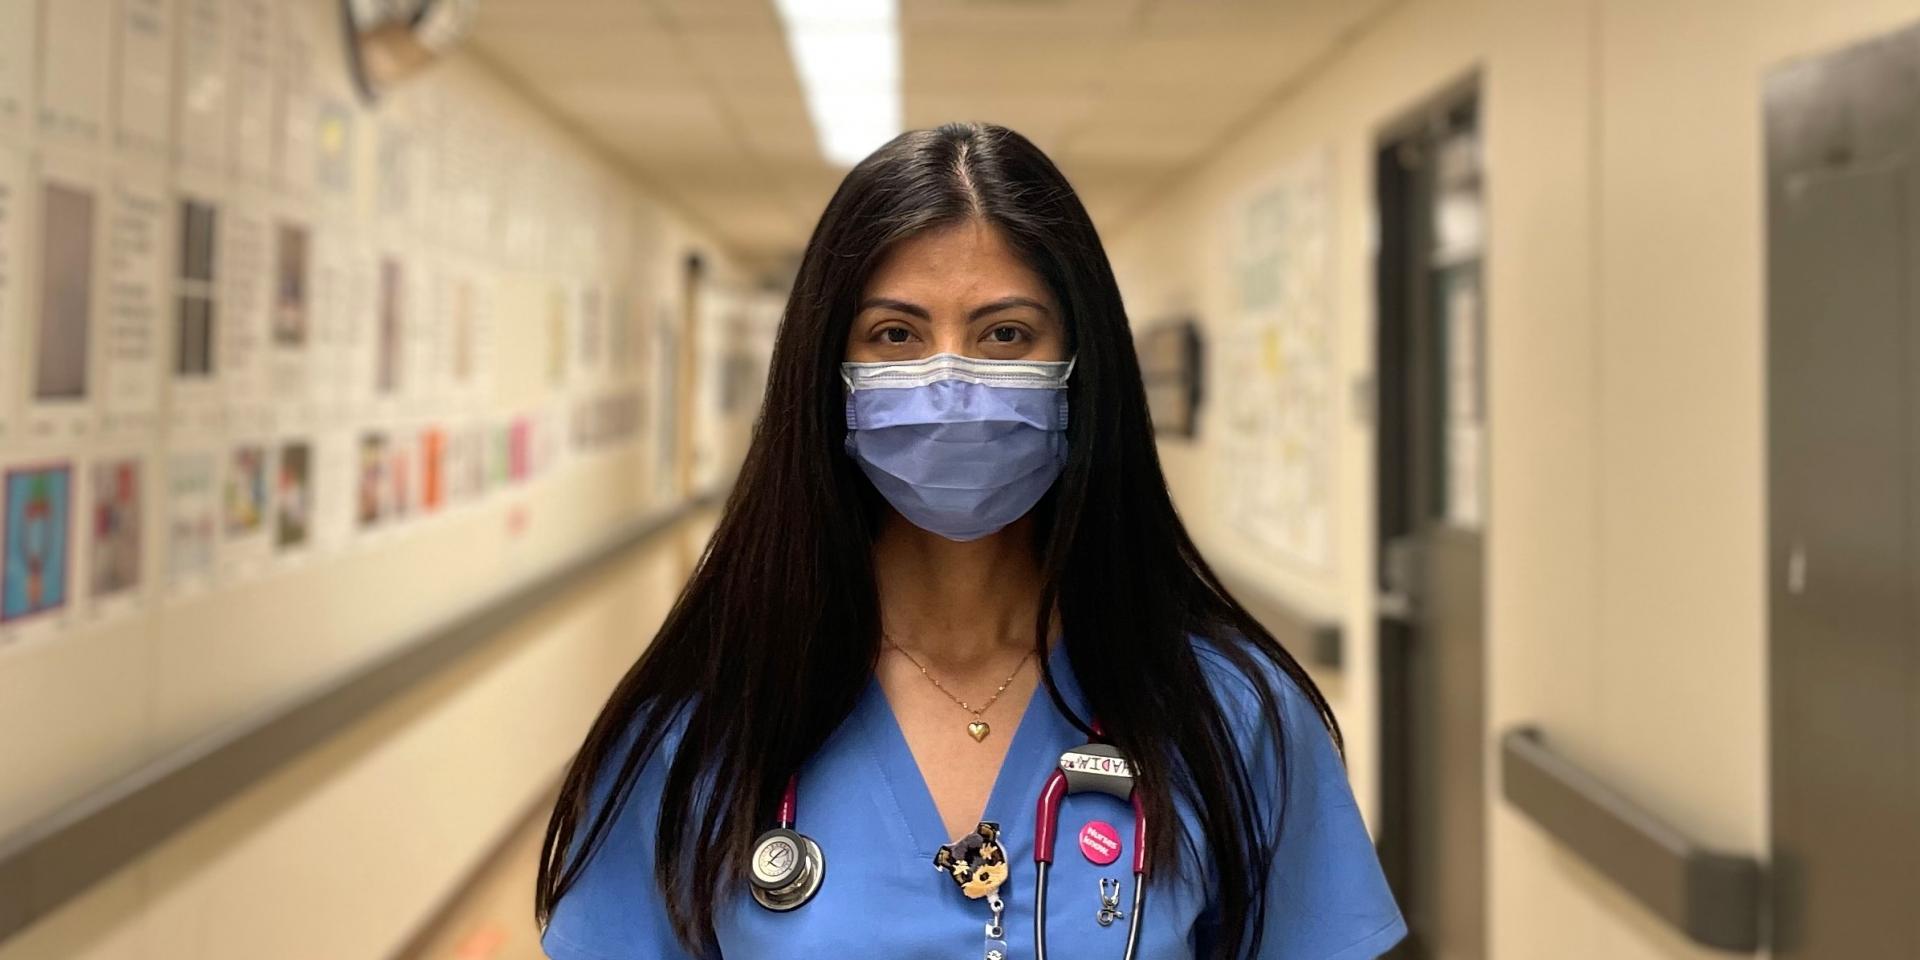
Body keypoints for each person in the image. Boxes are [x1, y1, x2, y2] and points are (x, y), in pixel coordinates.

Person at [535, 121, 1406, 959]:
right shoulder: (696, 729)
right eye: (896, 335)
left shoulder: (1230, 713)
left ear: (1081, 369)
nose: (949, 380)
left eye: (1004, 335)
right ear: (825, 376)